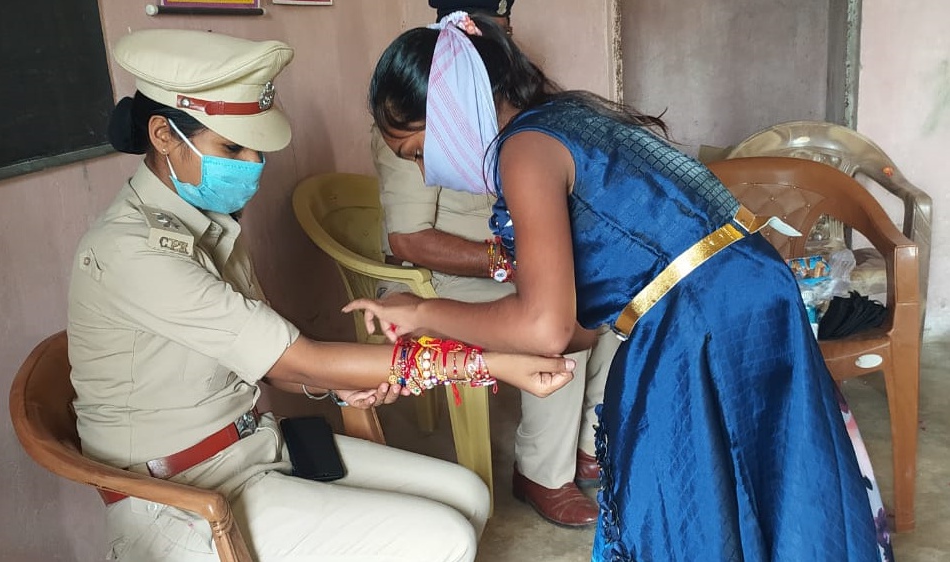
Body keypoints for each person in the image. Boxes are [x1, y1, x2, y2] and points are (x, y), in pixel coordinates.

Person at [349, 12, 895, 562]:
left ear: (448, 111)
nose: (427, 173)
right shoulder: (566, 118)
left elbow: (545, 326)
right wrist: (449, 341)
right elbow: (578, 329)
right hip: (747, 293)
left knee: (681, 498)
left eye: (419, 151)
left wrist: (421, 311)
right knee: (769, 472)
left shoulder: (525, 151)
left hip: (700, 316)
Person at [67, 28, 575, 562]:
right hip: (176, 497)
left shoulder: (210, 226)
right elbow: (297, 359)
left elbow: (270, 361)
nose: (253, 166)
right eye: (233, 148)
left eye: (255, 149)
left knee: (469, 496)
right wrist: (490, 362)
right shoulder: (134, 252)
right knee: (444, 537)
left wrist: (338, 387)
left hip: (252, 447)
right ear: (163, 135)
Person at [371, 0, 614, 528]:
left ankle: (591, 442)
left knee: (613, 310)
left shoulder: (525, 116)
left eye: (499, 34)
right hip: (456, 279)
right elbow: (409, 240)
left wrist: (548, 263)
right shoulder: (412, 119)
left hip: (523, 265)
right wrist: (507, 262)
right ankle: (542, 474)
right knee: (557, 331)